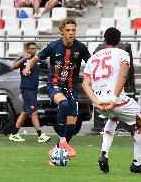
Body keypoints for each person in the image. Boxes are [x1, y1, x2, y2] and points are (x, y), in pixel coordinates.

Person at [82, 27, 141, 174]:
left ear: (104, 41)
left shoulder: (93, 57)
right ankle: (137, 164)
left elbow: (85, 83)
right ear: (120, 42)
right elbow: (123, 75)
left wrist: (95, 102)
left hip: (99, 102)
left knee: (113, 117)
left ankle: (104, 154)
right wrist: (113, 99)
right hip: (116, 100)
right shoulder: (123, 53)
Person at [22, 18, 91, 166]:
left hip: (72, 88)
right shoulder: (53, 46)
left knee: (72, 126)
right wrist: (28, 67)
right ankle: (62, 141)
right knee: (64, 104)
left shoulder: (81, 48)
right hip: (55, 85)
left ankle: (56, 152)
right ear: (62, 32)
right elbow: (36, 58)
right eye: (68, 30)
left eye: (73, 30)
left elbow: (91, 63)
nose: (71, 33)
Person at [9, 42, 51, 143]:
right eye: (31, 49)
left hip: (33, 89)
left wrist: (51, 56)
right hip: (26, 89)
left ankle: (14, 134)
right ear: (27, 49)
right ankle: (40, 135)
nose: (33, 50)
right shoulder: (23, 59)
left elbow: (48, 67)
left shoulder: (37, 60)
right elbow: (13, 67)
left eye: (35, 49)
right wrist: (23, 58)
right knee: (34, 112)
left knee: (25, 112)